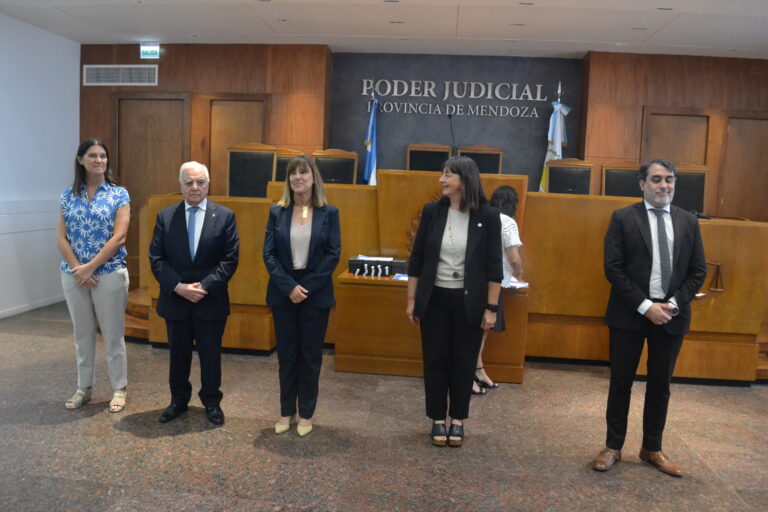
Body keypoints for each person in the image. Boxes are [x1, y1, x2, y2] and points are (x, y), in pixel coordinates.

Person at [592, 159, 706, 477]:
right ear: (642, 184)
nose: (664, 186)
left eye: (669, 179)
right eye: (656, 180)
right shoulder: (623, 218)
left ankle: (651, 448)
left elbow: (698, 271)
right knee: (620, 384)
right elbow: (612, 268)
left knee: (661, 386)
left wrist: (670, 304)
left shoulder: (688, 222)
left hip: (671, 316)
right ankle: (613, 446)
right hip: (630, 313)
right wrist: (646, 306)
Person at [406, 156, 502, 447]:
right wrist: (412, 300)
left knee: (463, 361)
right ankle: (437, 418)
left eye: (448, 175)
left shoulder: (488, 215)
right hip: (435, 299)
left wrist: (492, 308)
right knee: (435, 360)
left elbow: (493, 266)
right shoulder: (432, 212)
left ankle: (458, 419)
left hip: (469, 303)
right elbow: (417, 259)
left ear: (465, 179)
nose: (441, 180)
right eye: (442, 174)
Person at [149, 161, 239, 425]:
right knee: (178, 355)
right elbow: (157, 259)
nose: (195, 187)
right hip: (176, 300)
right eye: (189, 183)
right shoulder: (165, 217)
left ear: (208, 184)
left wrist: (205, 286)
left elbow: (230, 259)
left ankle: (212, 402)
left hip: (209, 300)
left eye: (200, 182)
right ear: (180, 186)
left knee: (210, 355)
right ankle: (178, 400)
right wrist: (178, 286)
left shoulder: (224, 216)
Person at [264, 155, 341, 437]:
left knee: (310, 357)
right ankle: (286, 412)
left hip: (315, 292)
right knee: (287, 356)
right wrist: (289, 287)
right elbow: (268, 254)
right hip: (284, 292)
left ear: (313, 178)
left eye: (303, 173)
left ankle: (306, 414)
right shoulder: (277, 211)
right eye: (293, 173)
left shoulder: (329, 213)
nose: (298, 177)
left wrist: (305, 287)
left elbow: (333, 254)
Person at [58, 138, 130, 413]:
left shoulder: (119, 194)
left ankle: (118, 388)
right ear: (81, 160)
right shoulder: (67, 196)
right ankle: (83, 388)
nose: (99, 160)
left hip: (109, 274)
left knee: (113, 335)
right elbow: (61, 239)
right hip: (73, 275)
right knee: (82, 335)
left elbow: (119, 236)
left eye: (103, 156)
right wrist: (79, 268)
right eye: (92, 155)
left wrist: (91, 267)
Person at [473, 186, 523, 395]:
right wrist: (519, 272)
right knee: (479, 334)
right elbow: (513, 257)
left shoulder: (485, 216)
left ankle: (479, 371)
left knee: (479, 333)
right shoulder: (508, 222)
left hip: (477, 280)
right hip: (494, 283)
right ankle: (469, 376)